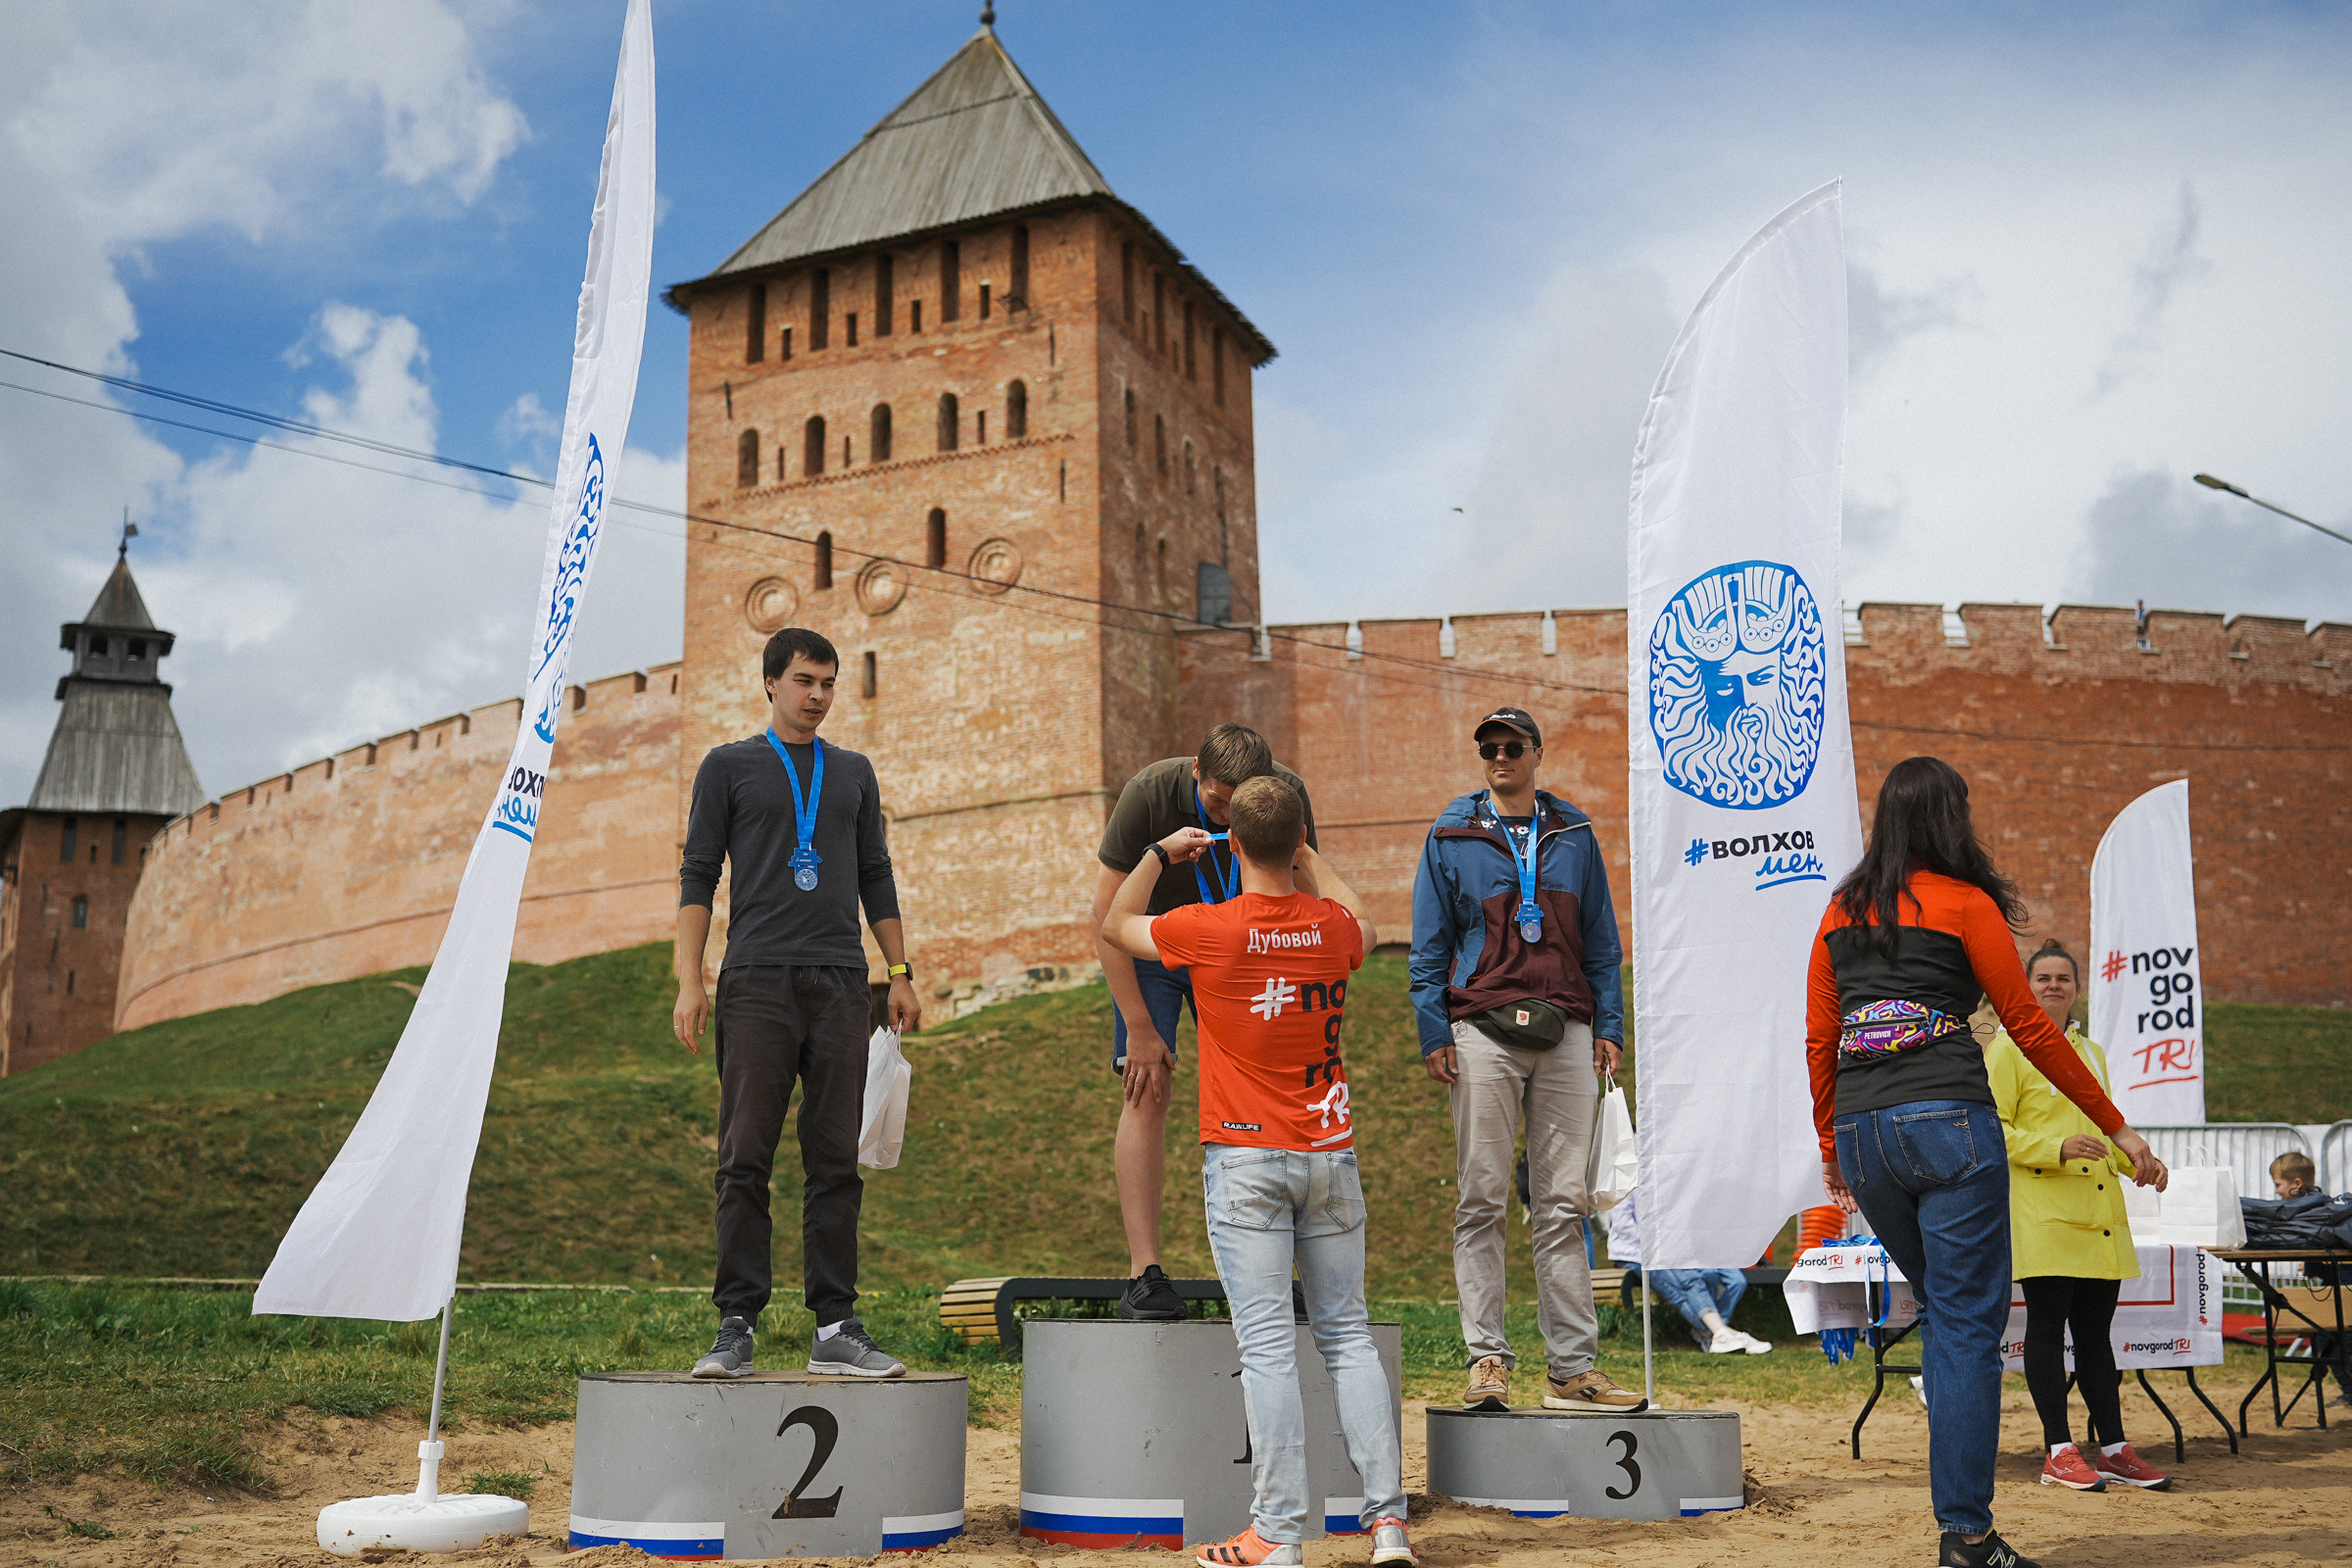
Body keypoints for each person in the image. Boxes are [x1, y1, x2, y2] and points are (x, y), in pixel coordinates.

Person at [1809, 757, 2168, 1568]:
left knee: (1945, 1315)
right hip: (1947, 1124)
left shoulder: (1840, 909)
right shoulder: (1967, 904)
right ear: (1949, 819)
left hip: (1867, 1135)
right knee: (1967, 1328)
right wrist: (2120, 1129)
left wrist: (1833, 1143)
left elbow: (1819, 1036)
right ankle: (1966, 1536)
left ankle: (1963, 1529)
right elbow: (2031, 1031)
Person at [1102, 776, 1412, 1568]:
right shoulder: (1333, 930)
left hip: (1244, 1160)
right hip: (1329, 1153)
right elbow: (1366, 922)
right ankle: (1388, 1529)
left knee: (1269, 1348)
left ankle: (1277, 1534)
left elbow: (1113, 921)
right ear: (1299, 841)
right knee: (1348, 1340)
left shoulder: (1208, 927)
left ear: (1231, 843)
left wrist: (1155, 854)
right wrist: (1309, 859)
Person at [673, 627, 921, 1380]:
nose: (819, 696)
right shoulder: (728, 767)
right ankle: (736, 1324)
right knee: (744, 1156)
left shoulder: (853, 772)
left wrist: (899, 969)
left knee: (834, 1162)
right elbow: (697, 874)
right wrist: (691, 979)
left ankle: (836, 1326)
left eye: (829, 684)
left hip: (843, 983)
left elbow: (875, 873)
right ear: (772, 683)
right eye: (806, 681)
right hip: (755, 982)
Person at [1408, 706, 1643, 1413]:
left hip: (1569, 1028)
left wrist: (1611, 1024)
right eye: (1488, 748)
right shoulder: (1451, 832)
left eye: (1512, 746)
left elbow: (1601, 939)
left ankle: (1573, 1370)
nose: (1500, 757)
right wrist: (1433, 1031)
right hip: (1481, 1028)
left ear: (1538, 752)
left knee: (1563, 1204)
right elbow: (1428, 941)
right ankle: (1487, 1359)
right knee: (1480, 1197)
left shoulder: (1572, 831)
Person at [1093, 725, 1319, 1320]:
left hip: (1245, 949)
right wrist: (1140, 1028)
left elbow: (1301, 890)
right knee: (1147, 1087)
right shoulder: (1149, 792)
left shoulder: (1286, 795)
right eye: (1219, 802)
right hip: (1159, 945)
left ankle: (1280, 1267)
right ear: (1196, 771)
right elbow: (1106, 917)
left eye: (1241, 804)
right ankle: (1144, 1272)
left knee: (1269, 1091)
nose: (1229, 816)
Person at [1986, 938, 2172, 1493]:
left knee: (2096, 1335)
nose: (2053, 986)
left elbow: (2103, 1128)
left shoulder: (2092, 1053)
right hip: (2043, 1212)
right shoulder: (2005, 1048)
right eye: (2041, 978)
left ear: (2076, 988)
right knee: (2045, 1329)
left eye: (2062, 978)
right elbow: (1993, 1129)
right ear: (2025, 987)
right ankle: (2058, 1450)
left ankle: (2113, 1448)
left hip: (2099, 1216)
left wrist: (2136, 1156)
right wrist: (2054, 1149)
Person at [1606, 1188, 1772, 1354]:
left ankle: (1717, 1334)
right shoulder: (1626, 1181)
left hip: (1670, 1251)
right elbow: (1624, 1226)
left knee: (1710, 1277)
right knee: (1685, 1286)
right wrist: (1661, 1245)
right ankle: (1728, 1334)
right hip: (1636, 1254)